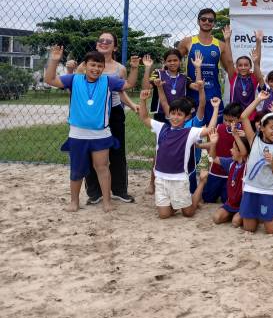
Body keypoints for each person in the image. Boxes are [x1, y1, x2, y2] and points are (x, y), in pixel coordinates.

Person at [47, 46, 127, 213]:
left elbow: (129, 84)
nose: (95, 68)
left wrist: (134, 69)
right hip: (77, 134)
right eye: (92, 65)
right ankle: (74, 202)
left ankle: (107, 201)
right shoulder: (74, 79)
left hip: (101, 134)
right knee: (77, 169)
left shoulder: (108, 81)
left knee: (103, 167)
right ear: (85, 65)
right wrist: (54, 59)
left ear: (103, 68)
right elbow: (50, 80)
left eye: (99, 66)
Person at [65, 32, 139, 205]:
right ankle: (94, 193)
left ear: (115, 46)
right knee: (90, 153)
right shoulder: (86, 65)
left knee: (117, 152)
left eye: (109, 41)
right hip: (93, 113)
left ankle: (119, 190)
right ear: (97, 44)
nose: (104, 43)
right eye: (101, 40)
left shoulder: (120, 68)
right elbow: (75, 87)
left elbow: (121, 91)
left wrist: (131, 104)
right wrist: (70, 69)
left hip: (114, 112)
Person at [136, 90, 217, 218]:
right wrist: (142, 100)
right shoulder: (161, 127)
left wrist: (216, 108)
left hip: (179, 179)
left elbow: (210, 129)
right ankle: (177, 201)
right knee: (164, 215)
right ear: (169, 114)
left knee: (188, 213)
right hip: (161, 179)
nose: (175, 117)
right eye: (173, 113)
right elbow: (144, 117)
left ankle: (201, 182)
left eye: (179, 114)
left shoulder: (189, 132)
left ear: (186, 117)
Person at [237, 104, 273, 235]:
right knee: (249, 229)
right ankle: (263, 216)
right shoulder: (254, 140)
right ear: (262, 128)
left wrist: (272, 163)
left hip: (268, 191)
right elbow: (243, 116)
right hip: (250, 189)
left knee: (272, 230)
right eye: (272, 127)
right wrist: (259, 99)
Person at [177, 8, 235, 124]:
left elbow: (230, 68)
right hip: (192, 95)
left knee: (212, 131)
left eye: (210, 20)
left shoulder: (220, 45)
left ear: (214, 23)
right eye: (203, 19)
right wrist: (187, 82)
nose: (207, 22)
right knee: (192, 130)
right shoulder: (187, 42)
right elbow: (173, 63)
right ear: (198, 21)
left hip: (213, 94)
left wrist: (227, 41)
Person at [211, 123, 250, 227]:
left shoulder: (248, 163)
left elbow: (244, 152)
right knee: (217, 218)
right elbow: (214, 158)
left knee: (236, 222)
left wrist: (235, 135)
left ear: (240, 151)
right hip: (231, 203)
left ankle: (241, 215)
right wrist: (213, 143)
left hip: (243, 204)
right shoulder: (230, 162)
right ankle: (231, 213)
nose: (230, 150)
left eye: (233, 148)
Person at [223, 25, 264, 113]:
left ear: (250, 66)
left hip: (251, 115)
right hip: (234, 115)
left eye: (246, 65)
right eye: (240, 65)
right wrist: (227, 40)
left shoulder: (254, 77)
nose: (243, 67)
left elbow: (257, 61)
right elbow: (229, 61)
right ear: (237, 67)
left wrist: (258, 42)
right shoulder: (233, 77)